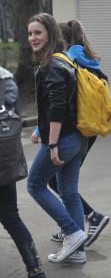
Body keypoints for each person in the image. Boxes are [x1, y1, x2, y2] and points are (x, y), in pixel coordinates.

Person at [30, 19, 110, 247]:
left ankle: (80, 226)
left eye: (39, 33)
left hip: (69, 129)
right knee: (64, 185)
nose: (34, 38)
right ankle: (75, 238)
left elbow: (60, 102)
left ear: (58, 37)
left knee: (43, 183)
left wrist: (45, 135)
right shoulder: (87, 56)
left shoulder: (64, 60)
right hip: (86, 127)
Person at [26, 13, 88, 264]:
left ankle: (72, 233)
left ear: (50, 33)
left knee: (35, 185)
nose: (32, 38)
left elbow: (57, 107)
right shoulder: (65, 60)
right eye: (30, 33)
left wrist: (51, 144)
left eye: (37, 32)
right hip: (79, 138)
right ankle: (78, 252)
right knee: (69, 193)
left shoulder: (51, 64)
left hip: (62, 140)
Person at [0, 67, 46, 278]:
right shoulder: (6, 78)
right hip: (5, 161)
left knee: (10, 216)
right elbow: (13, 118)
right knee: (11, 216)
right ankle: (35, 268)